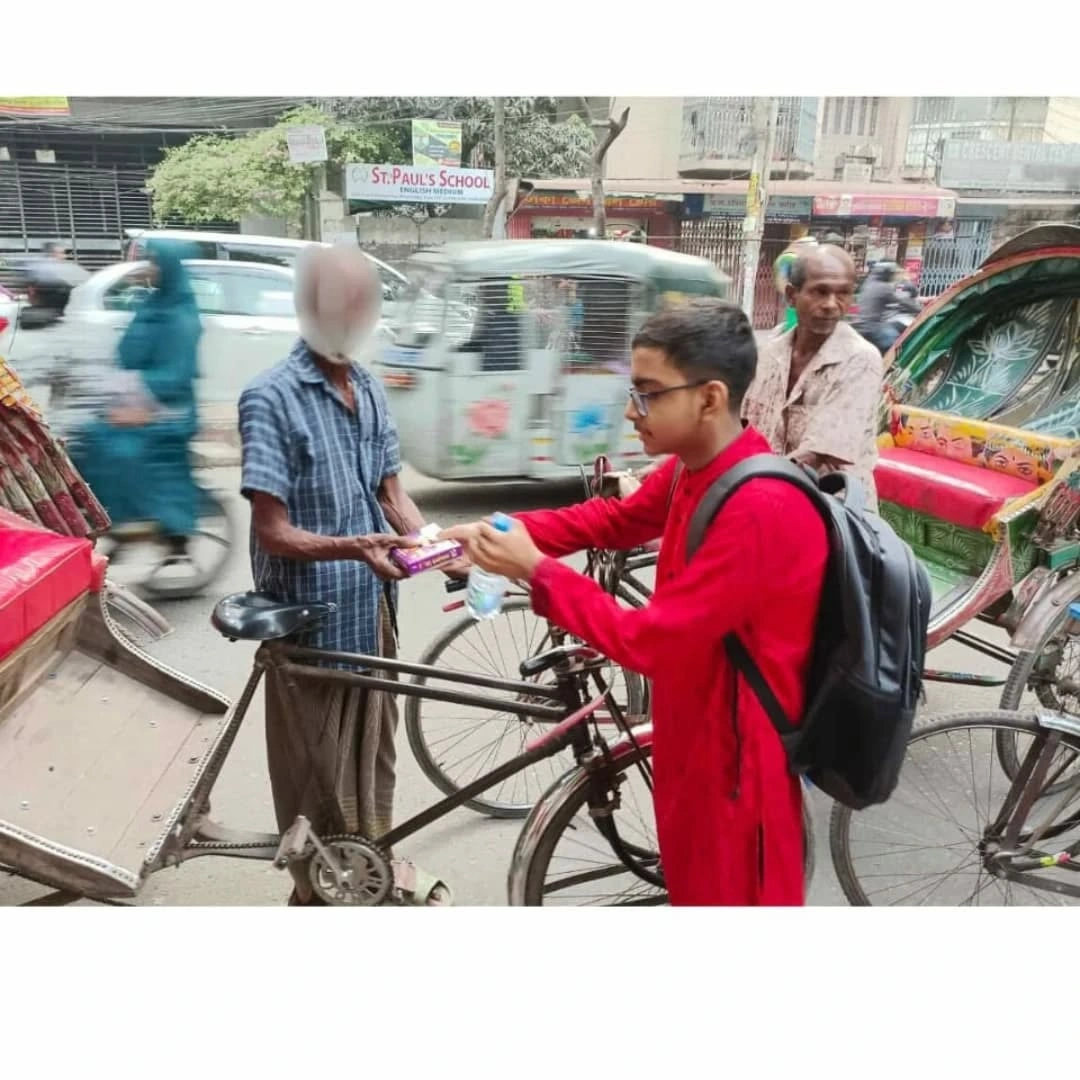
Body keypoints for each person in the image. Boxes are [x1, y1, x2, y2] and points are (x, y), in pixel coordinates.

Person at [443, 298, 828, 906]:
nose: (631, 410)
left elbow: (652, 643)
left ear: (710, 398)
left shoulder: (760, 507)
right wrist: (501, 531)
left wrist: (537, 571)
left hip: (737, 769)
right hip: (689, 741)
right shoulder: (689, 470)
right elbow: (613, 520)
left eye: (648, 394)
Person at [238, 244, 455, 907]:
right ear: (311, 309)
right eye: (338, 302)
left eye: (361, 302)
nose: (351, 313)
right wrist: (352, 547)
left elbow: (393, 493)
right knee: (317, 773)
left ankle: (369, 867)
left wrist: (434, 545)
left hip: (372, 609)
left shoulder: (366, 386)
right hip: (311, 620)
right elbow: (272, 530)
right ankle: (315, 893)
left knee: (374, 756)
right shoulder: (269, 398)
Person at [73, 238, 202, 559]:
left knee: (117, 446)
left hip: (170, 406)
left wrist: (136, 401)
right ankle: (113, 517)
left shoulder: (181, 318)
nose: (150, 269)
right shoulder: (154, 304)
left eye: (156, 263)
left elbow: (176, 376)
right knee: (90, 436)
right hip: (139, 396)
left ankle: (138, 520)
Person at [742, 244, 884, 513]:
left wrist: (745, 485)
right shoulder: (768, 354)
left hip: (835, 513)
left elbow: (818, 452)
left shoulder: (860, 358)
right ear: (792, 295)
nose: (831, 304)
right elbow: (737, 427)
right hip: (770, 502)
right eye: (820, 292)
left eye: (842, 294)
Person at [852, 260, 906, 355]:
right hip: (873, 326)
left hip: (862, 323)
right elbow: (903, 302)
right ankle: (891, 363)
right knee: (897, 344)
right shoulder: (884, 287)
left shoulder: (868, 284)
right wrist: (920, 310)